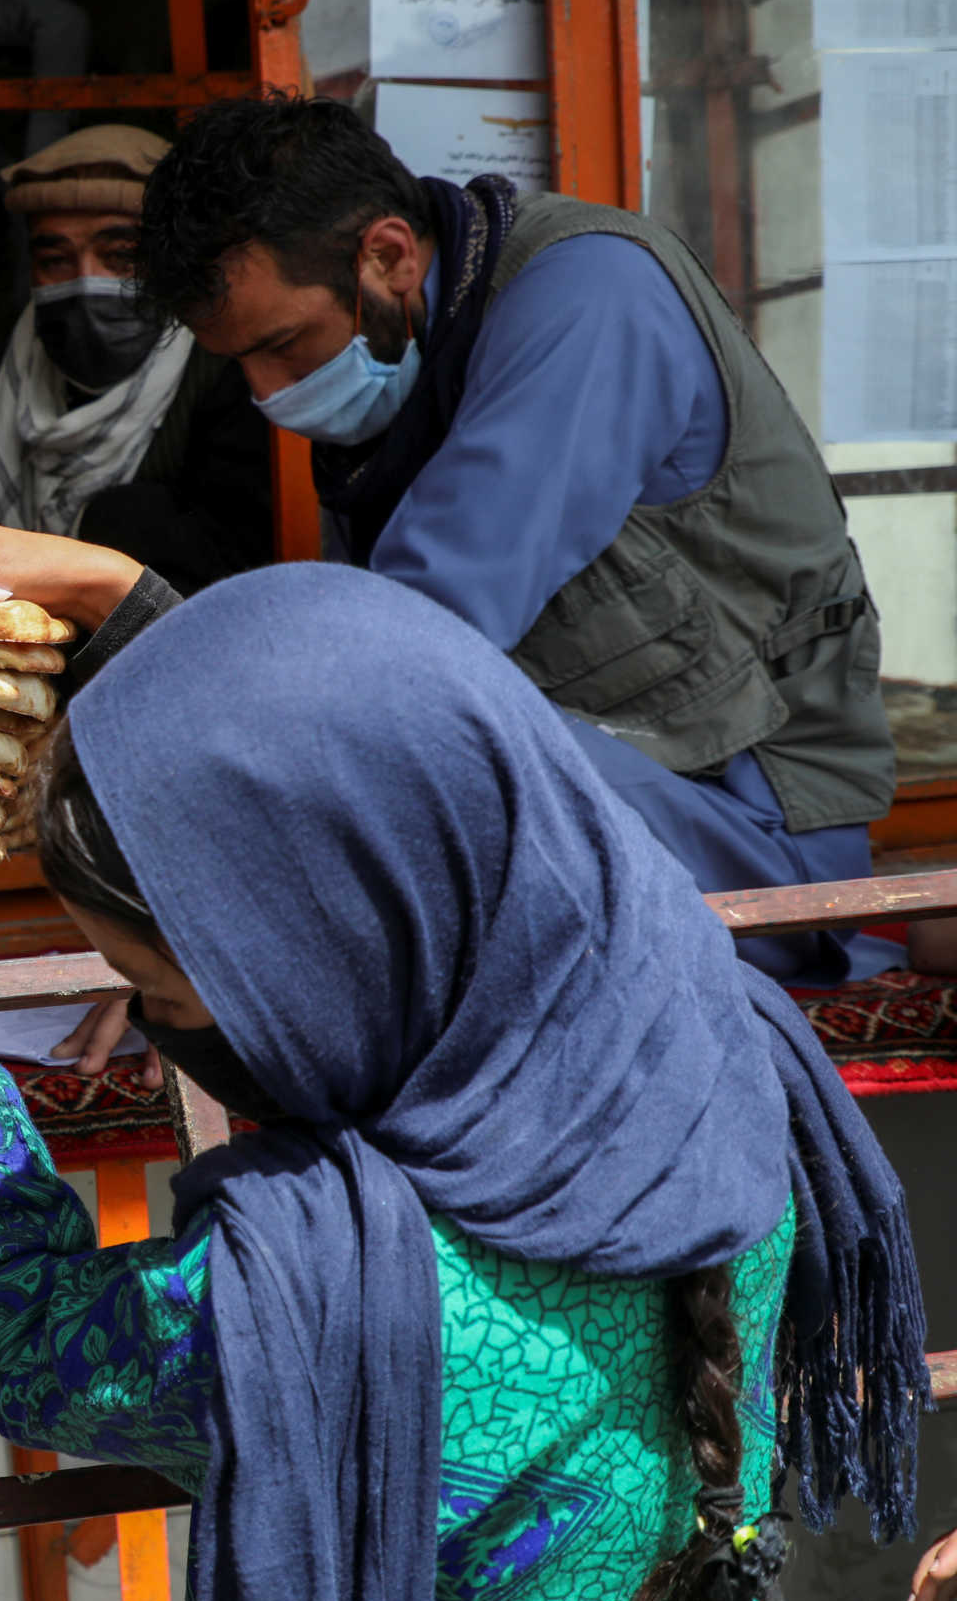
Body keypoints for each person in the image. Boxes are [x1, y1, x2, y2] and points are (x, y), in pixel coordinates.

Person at [0, 560, 925, 1601]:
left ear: (321, 975)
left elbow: (18, 1334)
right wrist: (137, 609)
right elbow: (375, 745)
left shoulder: (313, 1283)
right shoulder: (714, 1044)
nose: (142, 1022)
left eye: (166, 995)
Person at [132, 92, 895, 986]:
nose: (268, 392)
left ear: (387, 255)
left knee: (396, 764)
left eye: (286, 344)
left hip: (753, 837)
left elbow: (410, 650)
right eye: (242, 364)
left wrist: (120, 602)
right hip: (601, 795)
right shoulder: (417, 350)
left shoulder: (591, 291)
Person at [0, 125, 273, 593]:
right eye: (56, 261)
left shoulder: (223, 365)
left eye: (120, 256)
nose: (87, 281)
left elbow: (243, 557)